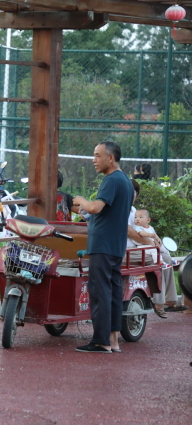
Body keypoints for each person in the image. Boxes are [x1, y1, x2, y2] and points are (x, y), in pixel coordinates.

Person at [73, 141, 134, 353]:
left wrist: (81, 200)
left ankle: (101, 341)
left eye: (97, 155)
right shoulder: (125, 181)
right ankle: (113, 340)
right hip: (116, 245)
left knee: (100, 292)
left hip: (103, 245)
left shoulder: (111, 179)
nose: (94, 160)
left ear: (110, 158)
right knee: (114, 292)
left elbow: (96, 207)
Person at [132, 209, 187, 315]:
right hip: (138, 247)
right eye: (136, 217)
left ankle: (170, 299)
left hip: (148, 244)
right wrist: (151, 240)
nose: (137, 219)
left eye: (140, 217)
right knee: (157, 261)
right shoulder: (135, 224)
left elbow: (154, 235)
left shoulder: (134, 210)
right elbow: (135, 233)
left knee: (166, 257)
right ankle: (158, 303)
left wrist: (157, 241)